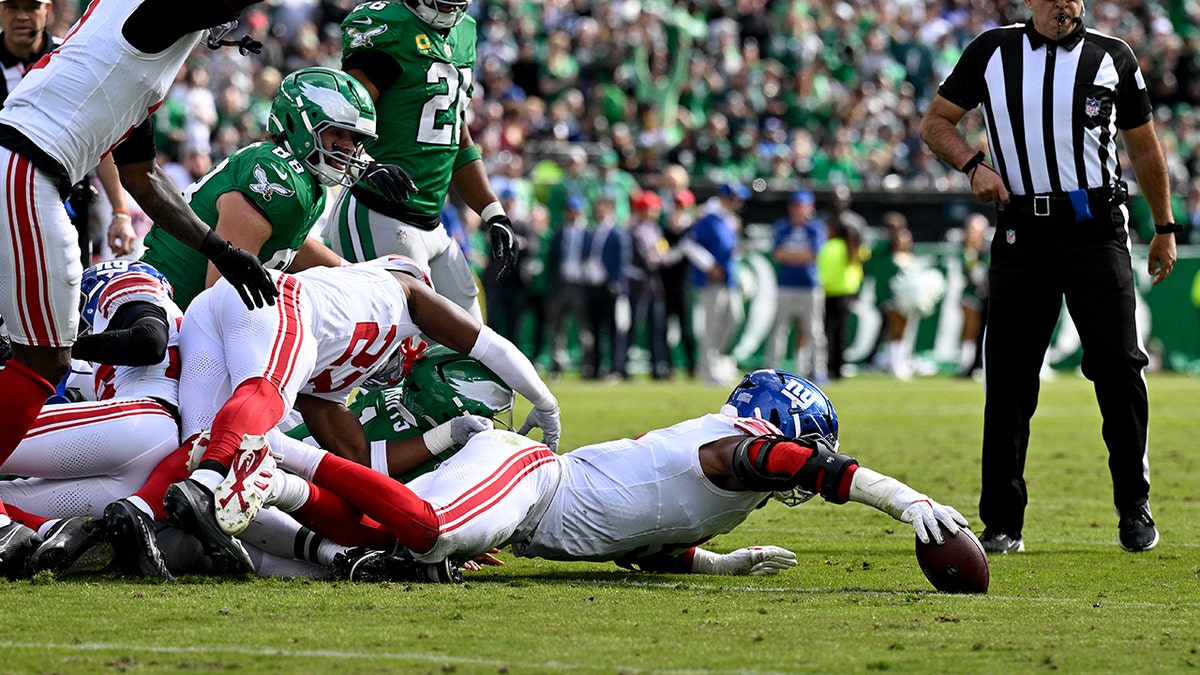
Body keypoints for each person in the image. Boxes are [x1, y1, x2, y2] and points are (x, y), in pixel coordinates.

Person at [0, 0, 280, 557]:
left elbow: (144, 179)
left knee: (41, 357)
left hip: (29, 170)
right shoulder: (148, 15)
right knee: (43, 359)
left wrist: (221, 250)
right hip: (28, 170)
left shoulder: (134, 49)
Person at [920, 0, 1176, 553]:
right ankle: (1002, 522)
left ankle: (1135, 505)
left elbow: (1143, 145)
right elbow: (935, 123)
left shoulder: (1114, 56)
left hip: (1096, 229)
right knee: (1009, 378)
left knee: (1116, 365)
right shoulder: (992, 50)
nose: (1067, 3)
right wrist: (972, 165)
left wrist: (1165, 225)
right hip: (1022, 234)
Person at [158, 256, 561, 578]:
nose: (411, 349)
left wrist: (445, 436)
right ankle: (209, 484)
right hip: (275, 300)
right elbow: (486, 343)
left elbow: (358, 461)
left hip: (218, 306)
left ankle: (142, 512)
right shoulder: (402, 290)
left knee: (202, 444)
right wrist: (546, 403)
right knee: (262, 405)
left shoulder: (331, 375)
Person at [397, 369, 969, 578]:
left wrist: (722, 563)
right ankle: (303, 470)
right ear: (776, 424)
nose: (807, 455)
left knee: (377, 543)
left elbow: (642, 545)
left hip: (521, 512)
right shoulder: (733, 449)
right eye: (806, 438)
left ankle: (313, 528)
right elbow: (814, 465)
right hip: (529, 475)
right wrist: (908, 502)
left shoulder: (736, 489)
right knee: (419, 534)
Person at [141, 66, 417, 310]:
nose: (348, 146)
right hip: (167, 316)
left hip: (180, 313)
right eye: (338, 133)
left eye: (354, 138)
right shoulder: (277, 173)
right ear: (295, 124)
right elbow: (219, 298)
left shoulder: (302, 179)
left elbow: (285, 243)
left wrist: (354, 274)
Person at [328, 0, 518, 320]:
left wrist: (494, 213)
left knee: (472, 340)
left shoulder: (465, 32)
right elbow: (340, 119)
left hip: (433, 222)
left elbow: (455, 138)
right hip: (377, 211)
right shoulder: (390, 27)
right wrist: (365, 162)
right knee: (391, 351)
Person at [0, 0, 135, 268]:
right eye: (12, 7)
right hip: (3, 207)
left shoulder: (72, 58)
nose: (22, 16)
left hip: (65, 211)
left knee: (70, 298)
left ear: (47, 10)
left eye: (31, 7)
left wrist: (121, 212)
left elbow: (100, 140)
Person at [765, 189, 827, 382]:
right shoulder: (782, 226)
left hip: (810, 285)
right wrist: (799, 256)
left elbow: (812, 255)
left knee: (814, 330)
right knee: (780, 328)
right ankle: (772, 370)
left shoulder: (815, 227)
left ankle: (818, 370)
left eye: (802, 205)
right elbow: (777, 254)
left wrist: (790, 255)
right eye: (795, 205)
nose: (798, 209)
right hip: (786, 284)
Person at [687, 183, 746, 386]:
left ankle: (718, 360)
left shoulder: (729, 220)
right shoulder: (710, 219)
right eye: (735, 198)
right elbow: (689, 243)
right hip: (711, 281)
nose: (739, 202)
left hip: (729, 280)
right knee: (712, 324)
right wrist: (709, 265)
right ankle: (709, 368)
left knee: (734, 318)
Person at [817, 199, 865, 380]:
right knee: (838, 331)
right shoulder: (847, 248)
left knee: (830, 331)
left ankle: (833, 366)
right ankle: (837, 366)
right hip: (843, 290)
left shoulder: (830, 247)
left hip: (833, 291)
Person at [957, 213, 990, 379]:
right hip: (971, 294)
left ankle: (978, 364)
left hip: (987, 296)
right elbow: (969, 275)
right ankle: (966, 364)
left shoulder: (987, 248)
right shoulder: (966, 249)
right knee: (970, 329)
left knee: (984, 332)